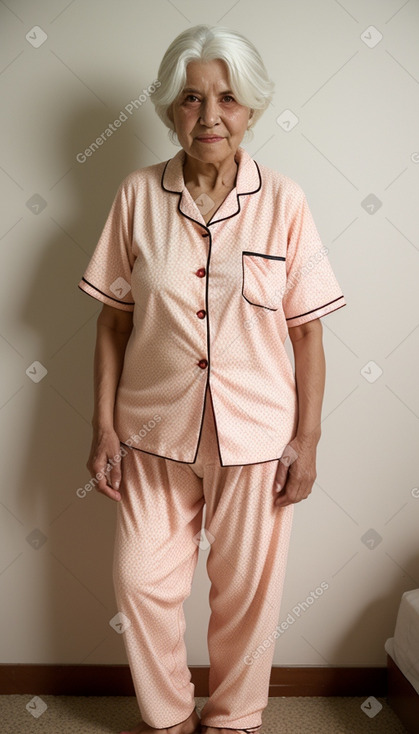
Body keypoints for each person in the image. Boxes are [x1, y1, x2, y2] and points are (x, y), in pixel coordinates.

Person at [78, 24, 346, 734]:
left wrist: (307, 439)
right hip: (152, 431)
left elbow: (307, 331)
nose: (209, 116)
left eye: (227, 99)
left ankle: (233, 719)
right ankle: (166, 717)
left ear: (251, 110)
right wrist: (103, 426)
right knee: (141, 581)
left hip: (257, 437)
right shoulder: (135, 196)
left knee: (248, 597)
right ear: (168, 109)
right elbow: (111, 322)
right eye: (191, 99)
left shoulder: (284, 200)